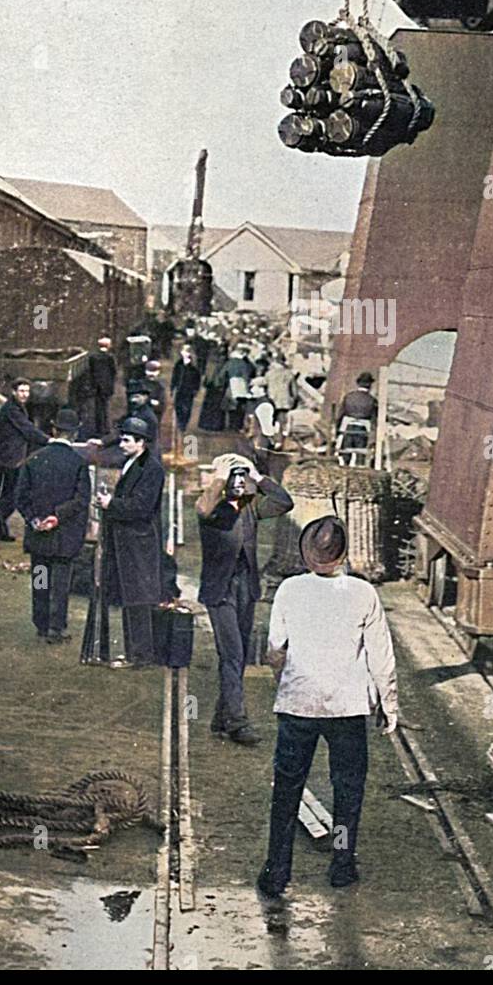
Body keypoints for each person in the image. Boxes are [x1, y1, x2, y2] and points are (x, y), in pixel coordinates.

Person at [257, 516, 398, 898]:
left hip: (298, 706)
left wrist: (285, 684)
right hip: (347, 710)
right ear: (343, 554)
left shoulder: (289, 590)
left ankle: (276, 873)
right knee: (347, 792)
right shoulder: (363, 593)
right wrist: (388, 705)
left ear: (307, 554)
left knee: (287, 791)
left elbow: (275, 649)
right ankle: (341, 864)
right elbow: (381, 657)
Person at [196, 453, 293, 745]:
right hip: (220, 590)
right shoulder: (212, 508)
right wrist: (218, 479)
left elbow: (284, 502)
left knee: (235, 656)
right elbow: (202, 510)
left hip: (245, 588)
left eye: (242, 478)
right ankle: (237, 722)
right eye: (234, 478)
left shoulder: (251, 508)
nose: (239, 483)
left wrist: (259, 476)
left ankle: (221, 718)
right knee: (234, 655)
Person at [15, 408, 91, 644]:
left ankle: (40, 624)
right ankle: (56, 628)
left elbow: (20, 498)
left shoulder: (33, 460)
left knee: (40, 578)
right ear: (75, 434)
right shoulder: (78, 463)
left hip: (39, 537)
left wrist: (34, 518)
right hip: (65, 537)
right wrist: (57, 517)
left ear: (54, 430)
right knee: (60, 583)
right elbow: (81, 499)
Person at [96, 416, 165, 668]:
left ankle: (141, 656)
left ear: (141, 443)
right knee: (130, 597)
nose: (121, 444)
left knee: (137, 600)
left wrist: (110, 504)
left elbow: (141, 507)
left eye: (126, 440)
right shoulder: (133, 462)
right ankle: (134, 652)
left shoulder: (152, 469)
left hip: (139, 544)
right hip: (128, 542)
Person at [0, 379, 49, 542]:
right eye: (21, 391)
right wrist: (48, 440)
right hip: (5, 459)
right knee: (10, 495)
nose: (24, 395)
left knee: (6, 494)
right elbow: (26, 429)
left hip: (8, 457)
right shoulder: (12, 409)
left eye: (27, 392)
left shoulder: (16, 407)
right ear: (14, 392)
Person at [337, 371, 378, 460]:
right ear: (370, 385)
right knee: (360, 454)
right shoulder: (372, 400)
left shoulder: (348, 397)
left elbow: (340, 415)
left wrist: (337, 430)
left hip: (348, 427)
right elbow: (374, 419)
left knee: (346, 453)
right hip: (363, 429)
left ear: (358, 383)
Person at [87, 335, 117, 436]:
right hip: (107, 386)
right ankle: (106, 428)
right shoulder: (110, 357)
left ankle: (98, 428)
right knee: (106, 407)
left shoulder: (93, 357)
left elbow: (91, 371)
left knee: (98, 408)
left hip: (96, 386)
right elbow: (114, 371)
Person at [265, 353, 298, 441]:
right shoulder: (289, 374)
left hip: (271, 401)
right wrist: (293, 400)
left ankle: (273, 439)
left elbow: (264, 386)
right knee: (282, 421)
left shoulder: (269, 374)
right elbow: (294, 391)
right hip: (285, 402)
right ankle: (281, 440)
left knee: (272, 420)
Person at [171, 343, 201, 434]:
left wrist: (196, 389)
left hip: (189, 390)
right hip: (180, 389)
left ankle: (183, 424)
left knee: (187, 408)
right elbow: (174, 377)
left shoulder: (194, 366)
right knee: (178, 407)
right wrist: (172, 388)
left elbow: (197, 379)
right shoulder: (178, 364)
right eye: (183, 351)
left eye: (186, 351)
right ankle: (180, 422)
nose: (184, 353)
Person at [224, 346, 254, 430]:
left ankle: (231, 424)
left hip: (230, 386)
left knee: (231, 406)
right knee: (240, 407)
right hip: (241, 387)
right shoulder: (245, 364)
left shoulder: (230, 362)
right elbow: (246, 377)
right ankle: (237, 425)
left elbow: (223, 374)